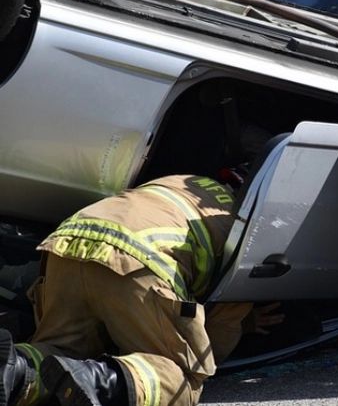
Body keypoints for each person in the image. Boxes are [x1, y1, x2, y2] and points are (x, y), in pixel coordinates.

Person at [0, 174, 283, 406]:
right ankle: (98, 379)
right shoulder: (249, 227)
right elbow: (213, 346)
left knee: (64, 351)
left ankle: (14, 370)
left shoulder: (188, 181)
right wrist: (241, 326)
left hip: (67, 245)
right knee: (182, 379)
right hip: (135, 259)